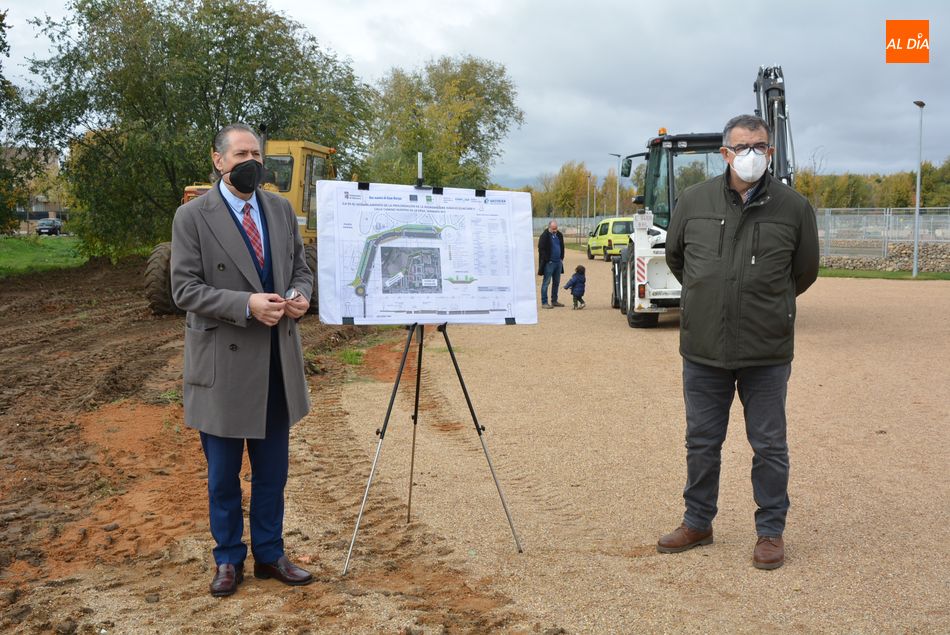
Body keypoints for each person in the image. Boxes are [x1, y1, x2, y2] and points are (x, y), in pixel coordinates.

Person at [658, 114, 819, 570]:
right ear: (725, 153)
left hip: (765, 351)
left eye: (761, 147)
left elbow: (803, 273)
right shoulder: (694, 201)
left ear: (770, 151)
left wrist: (766, 303)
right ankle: (697, 522)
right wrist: (709, 296)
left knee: (769, 445)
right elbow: (678, 258)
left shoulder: (793, 207)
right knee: (701, 441)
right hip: (704, 348)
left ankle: (770, 532)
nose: (753, 155)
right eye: (744, 147)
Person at [171, 123, 315, 597]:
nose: (250, 161)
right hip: (224, 367)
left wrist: (299, 295)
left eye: (256, 153)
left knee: (273, 472)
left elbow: (300, 267)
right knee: (223, 477)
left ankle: (270, 555)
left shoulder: (279, 209)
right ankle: (228, 559)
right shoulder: (192, 217)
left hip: (275, 362)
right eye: (240, 154)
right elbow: (184, 289)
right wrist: (245, 305)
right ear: (218, 161)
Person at [537, 220, 565, 308]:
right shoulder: (544, 236)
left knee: (556, 282)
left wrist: (561, 258)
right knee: (546, 282)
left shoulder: (559, 235)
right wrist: (547, 260)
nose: (555, 230)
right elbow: (541, 249)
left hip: (558, 263)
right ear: (549, 227)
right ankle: (544, 302)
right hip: (549, 263)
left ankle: (554, 301)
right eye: (553, 228)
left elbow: (562, 246)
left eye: (556, 228)